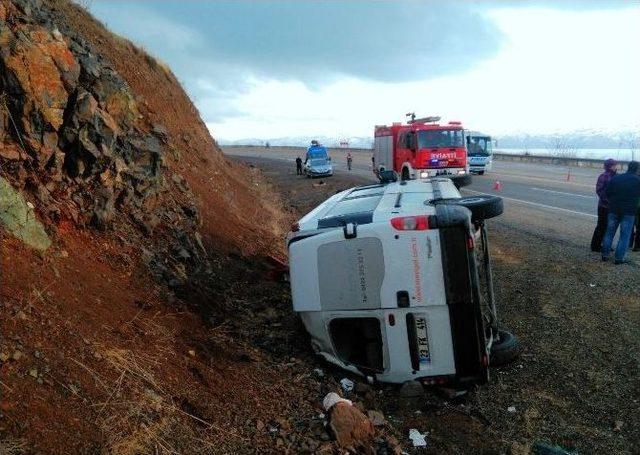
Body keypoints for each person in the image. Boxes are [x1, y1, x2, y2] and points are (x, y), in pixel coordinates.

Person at [601, 161, 640, 264]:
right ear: (637, 169)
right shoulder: (638, 180)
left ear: (628, 167)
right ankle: (619, 258)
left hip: (613, 209)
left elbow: (607, 192)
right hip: (629, 212)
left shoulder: (616, 178)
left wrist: (613, 201)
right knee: (624, 236)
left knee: (609, 233)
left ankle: (604, 255)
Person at [590, 158, 617, 252]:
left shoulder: (616, 176)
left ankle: (605, 244)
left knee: (608, 227)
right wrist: (607, 201)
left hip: (612, 206)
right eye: (614, 165)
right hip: (603, 206)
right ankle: (595, 245)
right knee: (601, 226)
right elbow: (599, 190)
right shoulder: (603, 176)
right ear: (610, 166)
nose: (615, 167)